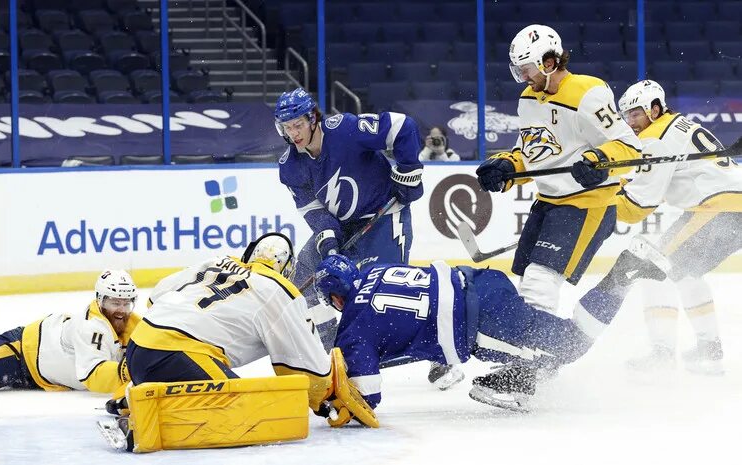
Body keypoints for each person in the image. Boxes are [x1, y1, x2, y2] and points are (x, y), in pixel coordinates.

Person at [314, 238, 669, 414]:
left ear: (336, 299)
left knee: (570, 343)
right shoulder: (377, 270)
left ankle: (623, 273)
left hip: (484, 322)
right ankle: (525, 374)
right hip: (483, 284)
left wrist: (326, 398)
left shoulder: (353, 326)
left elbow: (366, 396)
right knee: (539, 351)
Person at [472, 24, 642, 392]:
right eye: (519, 70)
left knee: (540, 280)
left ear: (551, 60)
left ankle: (527, 372)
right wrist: (508, 167)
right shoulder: (528, 99)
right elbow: (535, 154)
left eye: (528, 68)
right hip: (547, 202)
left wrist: (599, 158)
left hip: (586, 204)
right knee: (527, 280)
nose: (524, 77)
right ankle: (536, 363)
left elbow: (629, 149)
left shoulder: (588, 92)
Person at [101, 233, 375, 452]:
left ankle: (133, 394)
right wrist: (325, 398)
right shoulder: (280, 291)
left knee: (229, 388)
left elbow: (157, 296)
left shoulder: (216, 261)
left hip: (141, 344)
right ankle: (140, 423)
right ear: (286, 269)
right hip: (179, 353)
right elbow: (310, 371)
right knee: (246, 411)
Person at [274, 88, 463, 389]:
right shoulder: (290, 167)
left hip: (384, 216)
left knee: (391, 295)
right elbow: (317, 215)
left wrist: (408, 173)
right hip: (342, 226)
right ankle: (329, 354)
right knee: (304, 275)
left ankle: (442, 353)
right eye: (287, 127)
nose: (293, 133)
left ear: (312, 119)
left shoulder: (345, 129)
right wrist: (331, 247)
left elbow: (403, 127)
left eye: (298, 124)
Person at [615, 79, 742, 375]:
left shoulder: (655, 137)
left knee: (652, 269)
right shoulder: (678, 125)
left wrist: (602, 195)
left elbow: (644, 195)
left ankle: (662, 352)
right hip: (725, 206)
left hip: (718, 208)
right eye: (627, 116)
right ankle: (708, 348)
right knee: (685, 272)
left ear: (654, 109)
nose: (630, 122)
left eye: (635, 114)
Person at [0, 269, 141, 393]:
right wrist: (131, 371)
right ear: (100, 301)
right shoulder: (90, 327)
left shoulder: (136, 327)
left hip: (40, 376)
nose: (121, 311)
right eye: (115, 303)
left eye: (126, 304)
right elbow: (93, 373)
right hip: (21, 353)